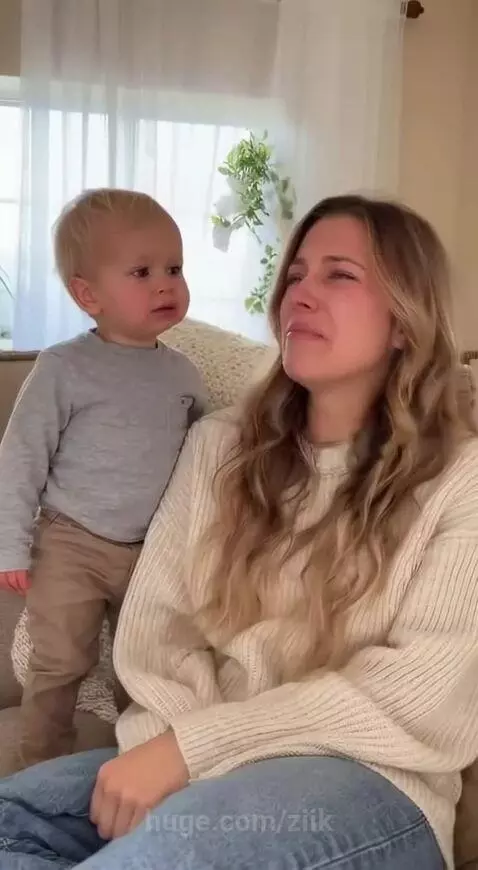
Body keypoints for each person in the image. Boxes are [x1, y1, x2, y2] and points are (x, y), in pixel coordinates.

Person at [1, 194, 478, 870]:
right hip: (195, 763)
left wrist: (191, 750)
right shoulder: (218, 445)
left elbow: (417, 696)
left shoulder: (463, 477)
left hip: (369, 784)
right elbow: (157, 630)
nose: (300, 295)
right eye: (295, 274)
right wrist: (181, 754)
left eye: (338, 275)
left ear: (406, 319)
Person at [0, 188, 207, 768]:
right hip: (70, 541)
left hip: (150, 548)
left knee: (147, 661)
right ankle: (39, 769)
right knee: (59, 660)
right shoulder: (65, 367)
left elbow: (210, 450)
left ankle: (139, 756)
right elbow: (20, 457)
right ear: (88, 294)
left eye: (175, 268)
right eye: (142, 272)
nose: (166, 283)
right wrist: (10, 545)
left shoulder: (182, 372)